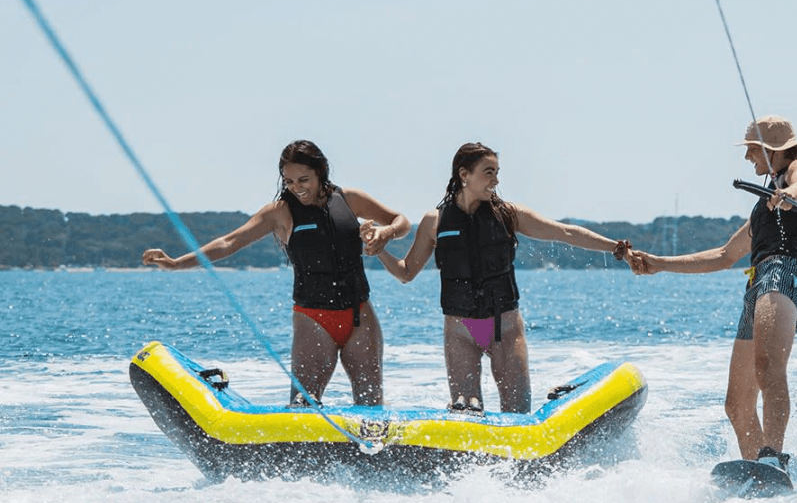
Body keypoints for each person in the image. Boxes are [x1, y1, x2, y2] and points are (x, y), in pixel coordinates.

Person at [627, 116, 797, 473]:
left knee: (768, 368)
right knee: (737, 404)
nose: (747, 157)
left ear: (773, 150)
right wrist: (659, 263)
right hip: (757, 284)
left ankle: (773, 457)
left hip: (786, 275)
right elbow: (724, 255)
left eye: (752, 149)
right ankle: (759, 473)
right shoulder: (765, 205)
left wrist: (789, 195)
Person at [142, 139, 410, 407]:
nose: (296, 188)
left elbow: (402, 221)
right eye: (289, 181)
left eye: (303, 179)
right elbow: (229, 242)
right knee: (304, 405)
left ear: (321, 171)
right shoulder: (280, 212)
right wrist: (177, 263)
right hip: (313, 319)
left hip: (359, 315)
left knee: (371, 405)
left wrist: (386, 233)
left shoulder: (350, 199)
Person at [369, 142, 631, 414]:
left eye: (497, 172)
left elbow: (564, 233)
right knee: (465, 413)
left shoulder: (508, 214)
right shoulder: (434, 221)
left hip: (504, 329)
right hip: (460, 332)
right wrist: (379, 250)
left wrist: (615, 247)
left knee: (517, 413)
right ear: (464, 175)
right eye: (489, 172)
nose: (496, 180)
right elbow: (406, 272)